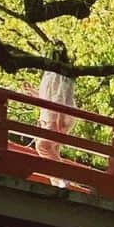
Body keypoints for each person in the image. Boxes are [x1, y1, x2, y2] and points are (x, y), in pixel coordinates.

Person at [30, 55, 76, 187]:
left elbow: (60, 97)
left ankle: (62, 178)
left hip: (56, 117)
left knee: (42, 146)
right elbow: (48, 96)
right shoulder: (55, 74)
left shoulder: (59, 74)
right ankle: (57, 182)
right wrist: (32, 92)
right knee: (52, 149)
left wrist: (59, 120)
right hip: (54, 116)